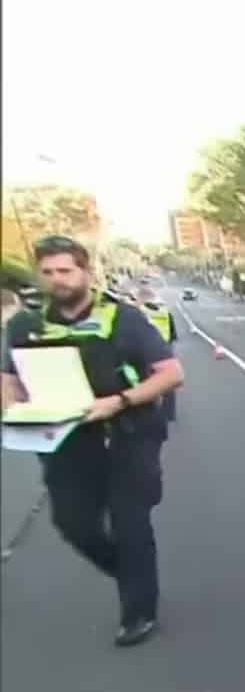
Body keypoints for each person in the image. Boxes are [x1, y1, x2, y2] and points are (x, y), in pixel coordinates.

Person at [0, 236, 184, 646]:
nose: (57, 280)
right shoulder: (24, 325)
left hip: (126, 435)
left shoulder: (122, 319)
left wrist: (117, 401)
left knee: (130, 523)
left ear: (85, 271)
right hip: (63, 441)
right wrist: (12, 404)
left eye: (65, 271)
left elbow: (170, 373)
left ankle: (138, 612)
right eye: (47, 272)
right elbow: (8, 377)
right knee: (73, 524)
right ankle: (131, 572)